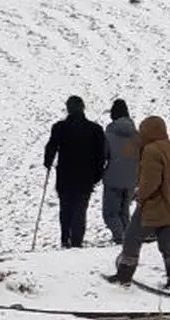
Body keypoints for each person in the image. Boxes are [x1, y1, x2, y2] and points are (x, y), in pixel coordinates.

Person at [105, 116, 170, 288]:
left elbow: (150, 181)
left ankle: (124, 275)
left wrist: (141, 196)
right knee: (167, 242)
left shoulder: (152, 150)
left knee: (132, 237)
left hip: (154, 204)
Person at [43, 95, 106, 248]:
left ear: (68, 109)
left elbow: (51, 147)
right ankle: (77, 241)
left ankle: (65, 239)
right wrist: (98, 174)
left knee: (65, 208)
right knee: (80, 209)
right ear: (83, 108)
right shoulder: (95, 129)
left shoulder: (59, 127)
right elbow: (101, 154)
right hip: (86, 177)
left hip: (65, 175)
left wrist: (48, 162)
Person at [102, 99, 139, 245]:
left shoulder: (109, 134)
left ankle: (120, 238)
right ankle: (129, 238)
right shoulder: (137, 135)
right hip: (131, 179)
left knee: (110, 213)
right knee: (124, 213)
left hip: (113, 178)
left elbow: (103, 154)